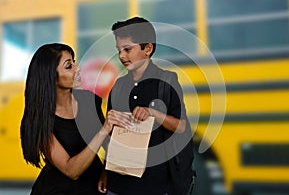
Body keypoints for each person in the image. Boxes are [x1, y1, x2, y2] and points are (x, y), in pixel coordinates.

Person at [20, 43, 132, 195]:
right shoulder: (39, 119)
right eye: (68, 66)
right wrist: (104, 129)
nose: (78, 68)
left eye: (74, 62)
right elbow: (71, 170)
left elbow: (110, 147)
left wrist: (107, 171)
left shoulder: (89, 100)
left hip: (95, 187)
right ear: (51, 77)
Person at [104, 17, 194, 195]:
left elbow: (182, 126)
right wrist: (104, 172)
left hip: (156, 186)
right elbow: (110, 136)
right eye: (119, 50)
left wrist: (153, 113)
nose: (121, 56)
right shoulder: (119, 85)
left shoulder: (167, 81)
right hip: (118, 185)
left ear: (148, 49)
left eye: (128, 49)